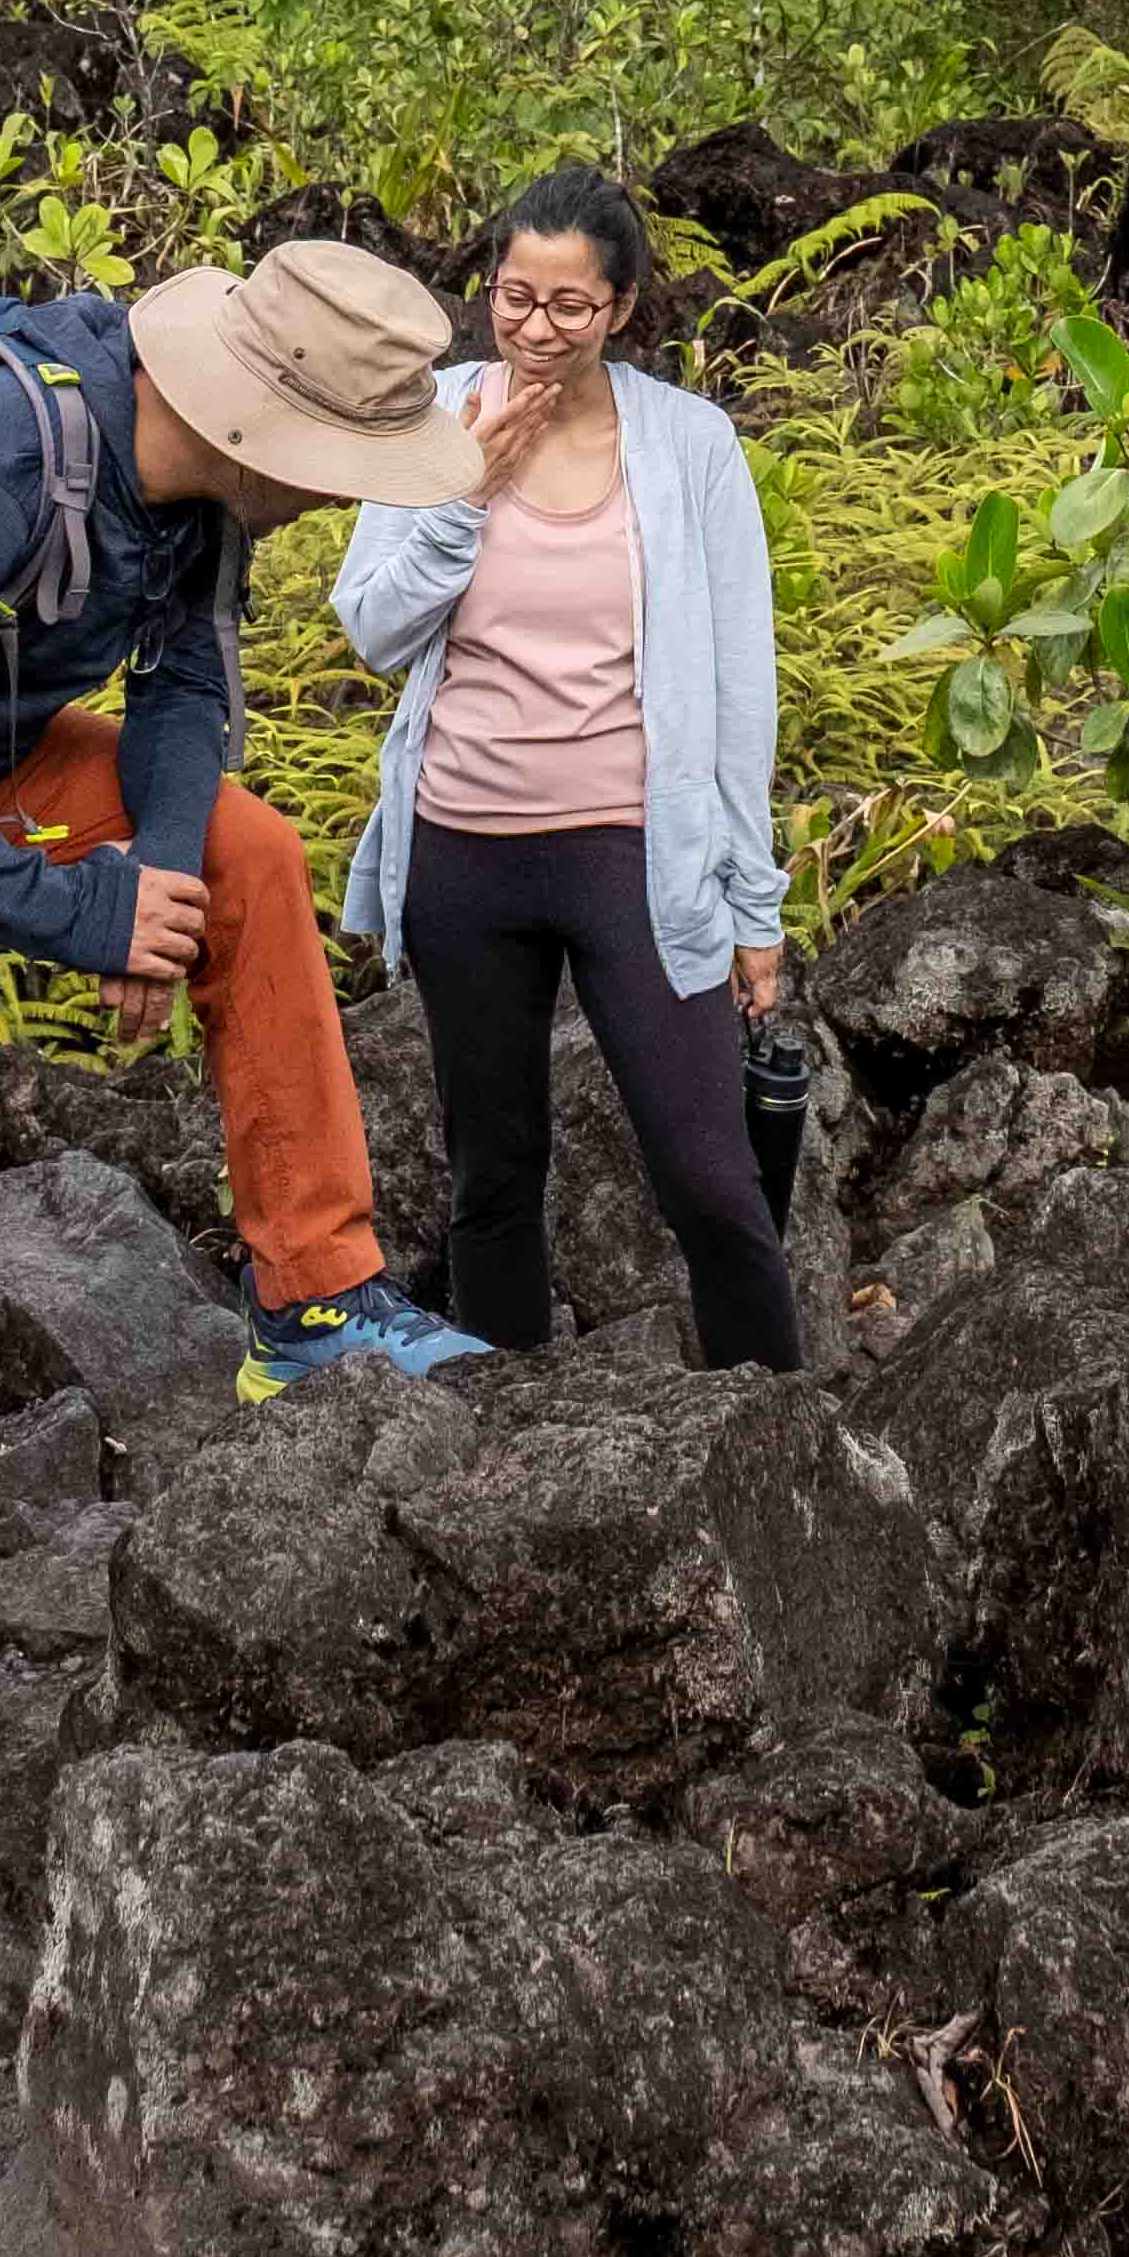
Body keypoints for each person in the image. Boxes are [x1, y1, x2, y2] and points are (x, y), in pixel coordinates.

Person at [0, 210, 493, 1780]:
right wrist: (80, 911)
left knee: (253, 857)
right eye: (345, 456)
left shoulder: (201, 492)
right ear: (260, 422)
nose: (348, 492)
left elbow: (188, 690)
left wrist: (166, 884)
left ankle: (312, 1295)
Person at [334, 167, 803, 1371]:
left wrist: (756, 909)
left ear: (624, 308)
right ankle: (509, 1452)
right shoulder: (432, 418)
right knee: (492, 1174)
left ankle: (785, 1436)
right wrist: (467, 488)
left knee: (708, 1175)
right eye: (512, 299)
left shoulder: (690, 445)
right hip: (462, 847)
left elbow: (738, 688)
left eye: (569, 307)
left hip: (631, 850)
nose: (536, 330)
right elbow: (374, 628)